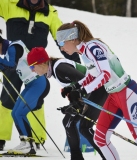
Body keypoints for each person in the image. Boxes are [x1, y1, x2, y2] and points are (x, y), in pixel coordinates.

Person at [55, 20, 137, 160]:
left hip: (127, 93)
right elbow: (93, 74)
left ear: (72, 39)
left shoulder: (93, 47)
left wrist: (82, 91)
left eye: (61, 43)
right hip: (114, 96)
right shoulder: (84, 51)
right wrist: (75, 87)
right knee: (100, 138)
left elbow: (105, 74)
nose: (61, 48)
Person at [0, 0, 81, 150]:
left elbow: (64, 37)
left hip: (38, 65)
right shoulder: (9, 4)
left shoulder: (50, 12)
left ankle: (37, 138)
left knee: (35, 102)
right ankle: (1, 137)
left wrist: (77, 61)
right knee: (7, 99)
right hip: (14, 61)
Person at [26, 47, 108, 160]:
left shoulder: (59, 68)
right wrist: (72, 99)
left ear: (41, 62)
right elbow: (77, 85)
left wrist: (76, 104)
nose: (32, 70)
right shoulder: (55, 68)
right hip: (91, 92)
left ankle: (106, 157)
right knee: (70, 123)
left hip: (98, 90)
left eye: (32, 66)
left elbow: (86, 81)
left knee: (83, 127)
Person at [0, 29, 50, 154]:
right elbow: (7, 68)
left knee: (20, 113)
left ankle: (28, 144)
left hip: (39, 84)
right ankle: (26, 142)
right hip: (30, 85)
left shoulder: (14, 47)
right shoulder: (9, 51)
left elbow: (11, 65)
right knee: (15, 113)